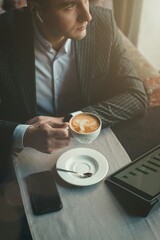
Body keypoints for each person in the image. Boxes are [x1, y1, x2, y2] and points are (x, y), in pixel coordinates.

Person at [0, 0, 148, 177]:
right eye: (69, 6)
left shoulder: (103, 23)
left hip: (91, 152)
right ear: (36, 7)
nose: (88, 16)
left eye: (85, 0)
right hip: (23, 157)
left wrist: (71, 120)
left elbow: (136, 95)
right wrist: (24, 135)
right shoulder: (4, 34)